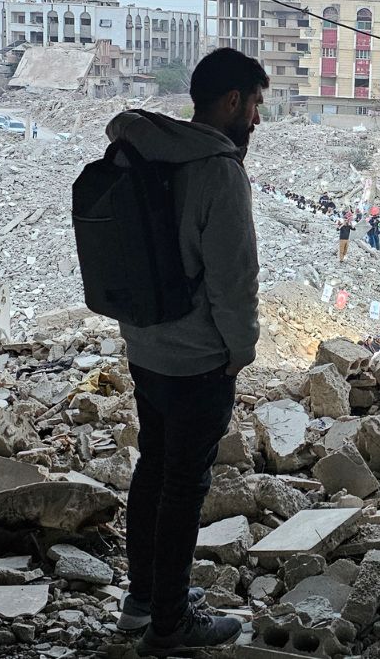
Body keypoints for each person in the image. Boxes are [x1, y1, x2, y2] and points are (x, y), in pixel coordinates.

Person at [105, 48, 266, 652]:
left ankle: (143, 601)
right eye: (254, 105)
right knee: (183, 485)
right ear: (231, 102)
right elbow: (233, 279)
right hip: (199, 359)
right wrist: (241, 350)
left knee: (153, 465)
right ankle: (171, 624)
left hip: (144, 345)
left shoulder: (139, 150)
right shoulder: (219, 171)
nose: (256, 119)